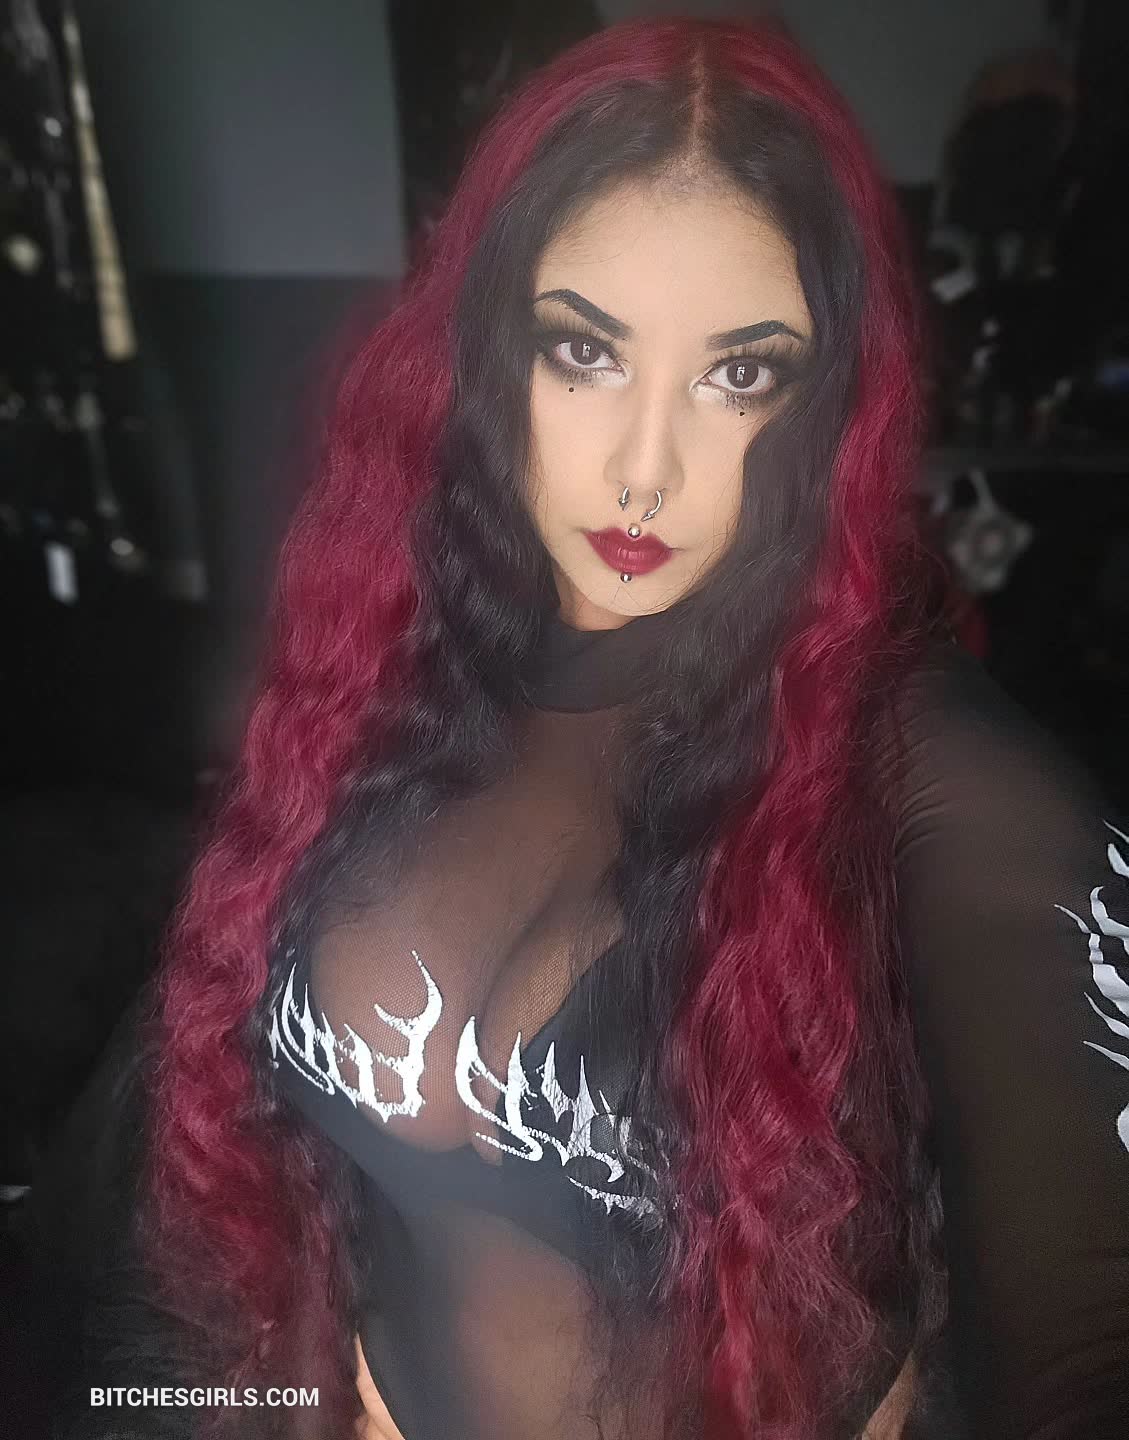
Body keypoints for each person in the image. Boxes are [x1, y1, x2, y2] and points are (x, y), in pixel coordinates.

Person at [51, 18, 1129, 1440]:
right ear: (486, 352)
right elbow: (202, 1152)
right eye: (585, 351)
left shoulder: (933, 774)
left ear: (826, 403)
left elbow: (1090, 1337)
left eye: (739, 374)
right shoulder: (383, 671)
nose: (644, 468)